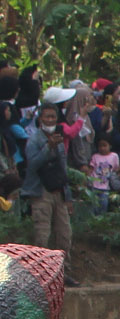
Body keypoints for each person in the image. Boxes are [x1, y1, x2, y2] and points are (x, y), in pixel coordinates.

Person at [18, 106, 74, 251]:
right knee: (42, 234)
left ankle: (63, 270)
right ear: (40, 119)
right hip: (40, 191)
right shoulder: (34, 140)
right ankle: (40, 272)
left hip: (58, 191)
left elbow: (63, 168)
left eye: (53, 117)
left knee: (64, 235)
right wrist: (48, 147)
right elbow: (32, 165)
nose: (50, 120)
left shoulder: (59, 139)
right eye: (47, 117)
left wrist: (68, 196)